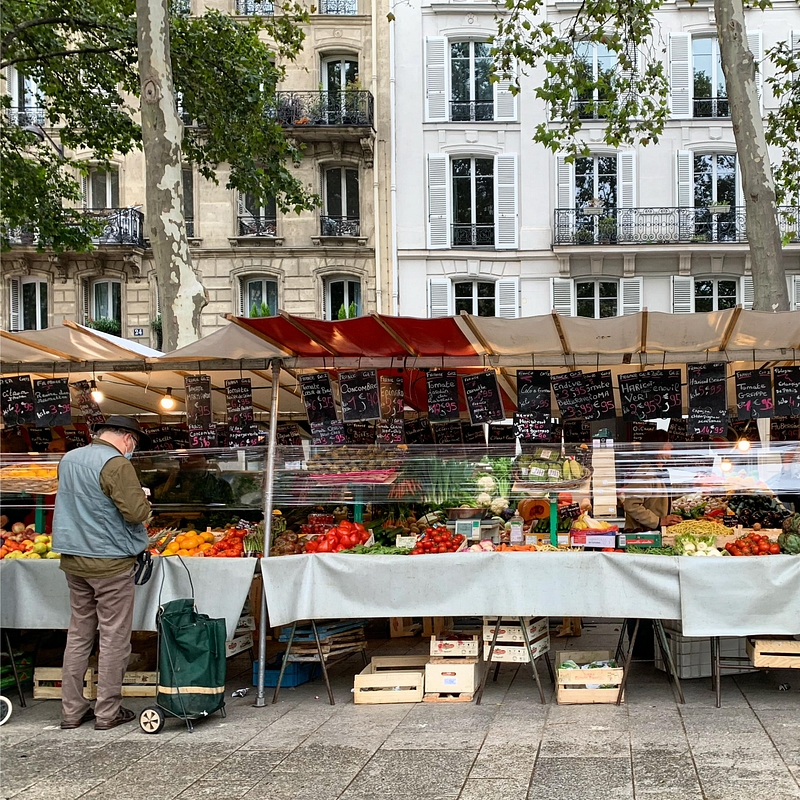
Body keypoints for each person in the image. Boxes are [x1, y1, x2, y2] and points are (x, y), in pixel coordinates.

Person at [52, 415, 151, 731]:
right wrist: (144, 499)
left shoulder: (69, 459)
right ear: (126, 438)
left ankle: (71, 711)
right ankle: (107, 712)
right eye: (133, 443)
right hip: (109, 560)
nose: (131, 449)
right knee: (113, 636)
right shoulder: (117, 464)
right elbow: (135, 513)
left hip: (74, 557)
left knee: (79, 633)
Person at [623, 429, 682, 531]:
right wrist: (659, 521)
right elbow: (631, 505)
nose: (671, 446)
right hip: (641, 535)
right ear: (659, 448)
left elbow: (667, 493)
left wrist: (694, 484)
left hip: (653, 533)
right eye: (668, 442)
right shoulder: (646, 473)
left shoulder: (658, 471)